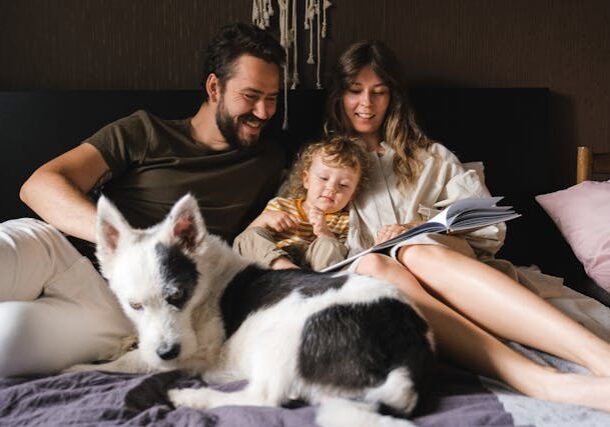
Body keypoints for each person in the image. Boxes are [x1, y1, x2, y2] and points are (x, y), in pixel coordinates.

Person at [323, 40, 610, 412]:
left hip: (450, 268)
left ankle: (601, 358)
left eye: (379, 92)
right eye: (355, 91)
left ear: (393, 97)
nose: (367, 104)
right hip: (378, 282)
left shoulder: (432, 157)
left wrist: (418, 226)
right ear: (339, 94)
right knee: (378, 265)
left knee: (415, 250)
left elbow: (488, 233)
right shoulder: (322, 166)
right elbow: (282, 235)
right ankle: (543, 382)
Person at [0, 23, 286, 377]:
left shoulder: (269, 162)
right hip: (57, 247)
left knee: (7, 341)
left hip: (119, 309)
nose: (263, 112)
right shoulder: (145, 131)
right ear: (215, 87)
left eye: (272, 98)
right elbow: (40, 185)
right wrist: (131, 247)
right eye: (251, 95)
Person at [234, 136, 368, 271]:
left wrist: (324, 232)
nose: (331, 188)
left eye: (343, 185)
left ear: (353, 195)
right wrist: (265, 219)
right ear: (306, 180)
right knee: (249, 236)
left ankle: (314, 282)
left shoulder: (345, 221)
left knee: (329, 244)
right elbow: (248, 240)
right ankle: (288, 271)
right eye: (324, 178)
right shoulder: (281, 206)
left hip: (315, 268)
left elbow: (344, 256)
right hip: (275, 263)